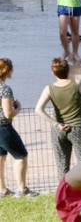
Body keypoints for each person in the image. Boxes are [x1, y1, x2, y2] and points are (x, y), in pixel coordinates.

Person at [34, 57, 81, 178]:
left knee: (62, 164)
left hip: (59, 129)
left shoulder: (49, 88)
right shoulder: (78, 84)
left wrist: (56, 123)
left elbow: (38, 109)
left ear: (52, 72)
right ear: (68, 70)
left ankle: (63, 194)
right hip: (78, 127)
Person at [0, 58, 36, 198]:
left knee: (1, 157)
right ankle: (22, 189)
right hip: (3, 127)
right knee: (21, 155)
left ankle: (2, 190)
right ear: (7, 71)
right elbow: (8, 114)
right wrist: (18, 107)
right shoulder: (5, 89)